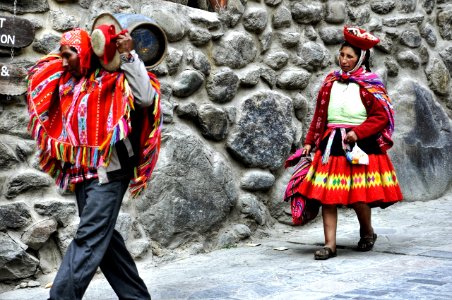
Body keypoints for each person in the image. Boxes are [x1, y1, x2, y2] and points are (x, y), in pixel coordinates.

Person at [26, 20, 162, 300]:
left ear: (86, 52)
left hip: (110, 172)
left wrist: (126, 56)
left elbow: (146, 98)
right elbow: (43, 71)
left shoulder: (113, 79)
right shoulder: (68, 82)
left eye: (69, 54)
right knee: (105, 240)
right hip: (81, 172)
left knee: (89, 237)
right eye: (61, 54)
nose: (62, 61)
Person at [298, 26, 403, 260]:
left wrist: (358, 132)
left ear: (361, 59)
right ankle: (330, 245)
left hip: (359, 146)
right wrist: (309, 142)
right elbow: (319, 116)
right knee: (327, 196)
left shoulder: (370, 84)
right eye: (342, 55)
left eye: (350, 57)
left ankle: (367, 232)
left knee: (358, 195)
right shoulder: (330, 81)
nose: (344, 60)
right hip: (331, 145)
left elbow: (381, 116)